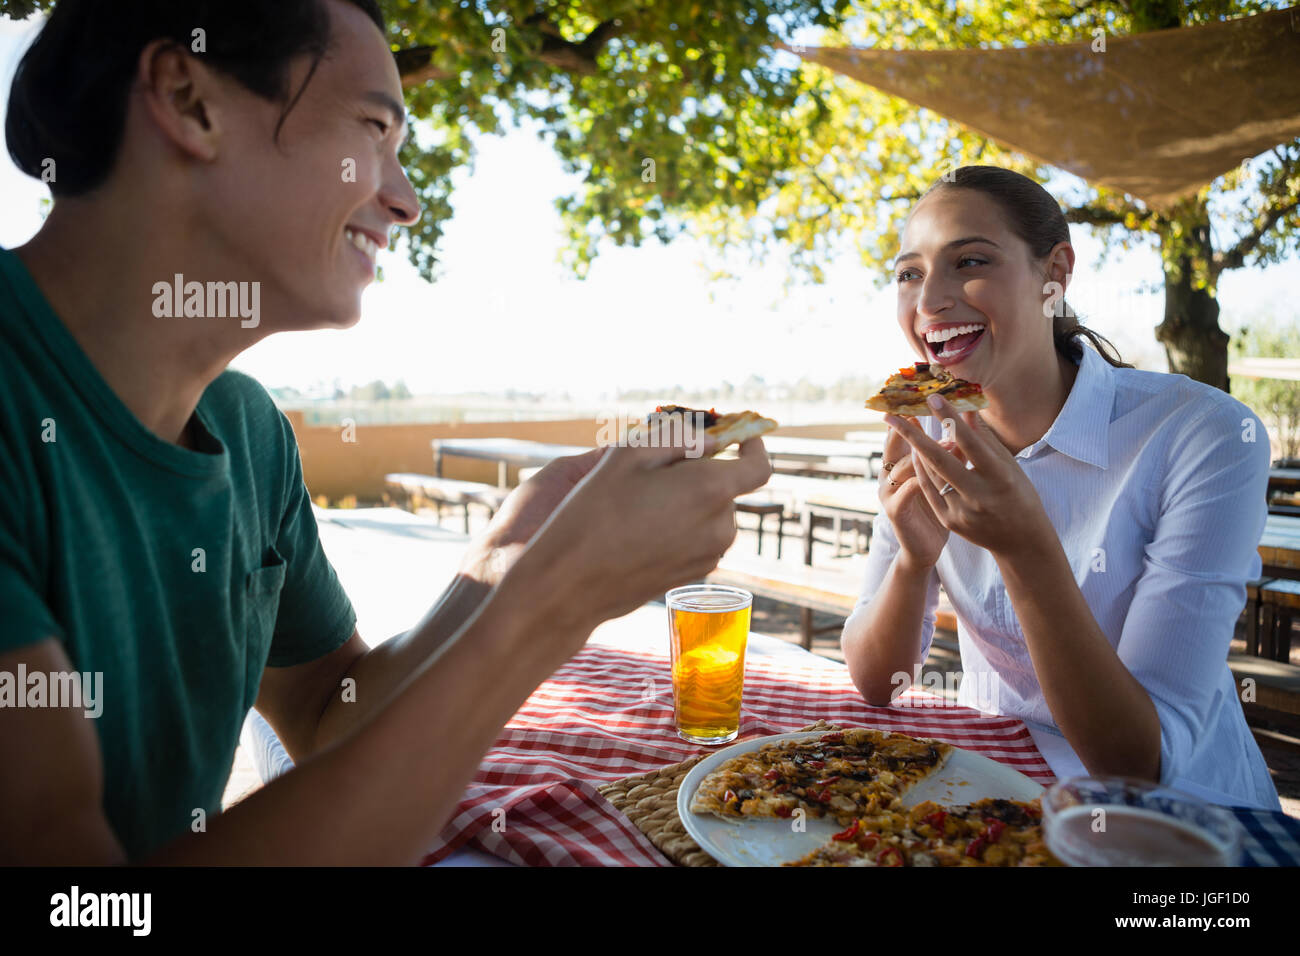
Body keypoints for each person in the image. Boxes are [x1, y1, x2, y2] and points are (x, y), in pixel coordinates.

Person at [0, 0, 771, 864]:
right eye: (373, 129)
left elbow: (333, 714)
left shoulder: (247, 432)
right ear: (188, 99)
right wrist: (552, 603)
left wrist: (507, 560)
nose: (403, 202)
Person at [841, 165, 1280, 811]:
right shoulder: (927, 434)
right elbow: (877, 683)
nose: (930, 298)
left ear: (1055, 274)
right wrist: (914, 561)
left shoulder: (1202, 433)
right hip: (998, 797)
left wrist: (1024, 549)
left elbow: (1137, 764)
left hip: (1189, 821)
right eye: (909, 272)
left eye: (969, 261)